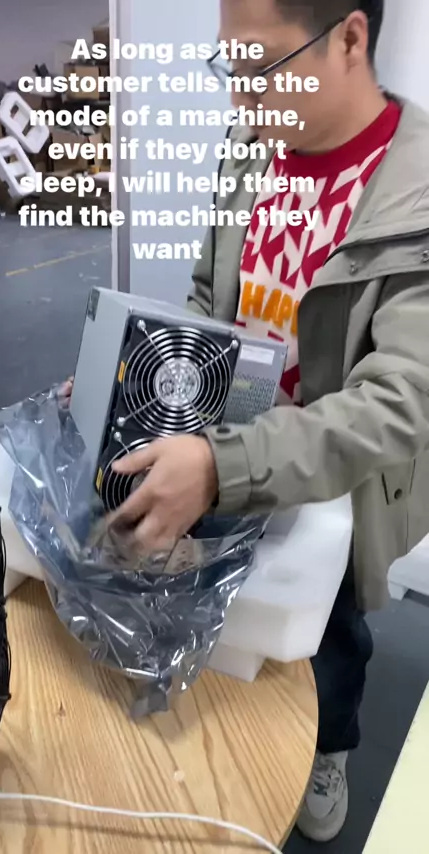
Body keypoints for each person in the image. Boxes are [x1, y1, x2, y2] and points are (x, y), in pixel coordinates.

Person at [67, 0, 429, 843]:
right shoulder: (255, 144)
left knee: (327, 636)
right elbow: (209, 297)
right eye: (229, 67)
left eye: (260, 66)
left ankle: (331, 746)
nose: (240, 96)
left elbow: (397, 402)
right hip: (223, 444)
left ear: (350, 37)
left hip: (330, 488)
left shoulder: (414, 196)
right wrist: (135, 375)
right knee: (225, 609)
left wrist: (222, 467)